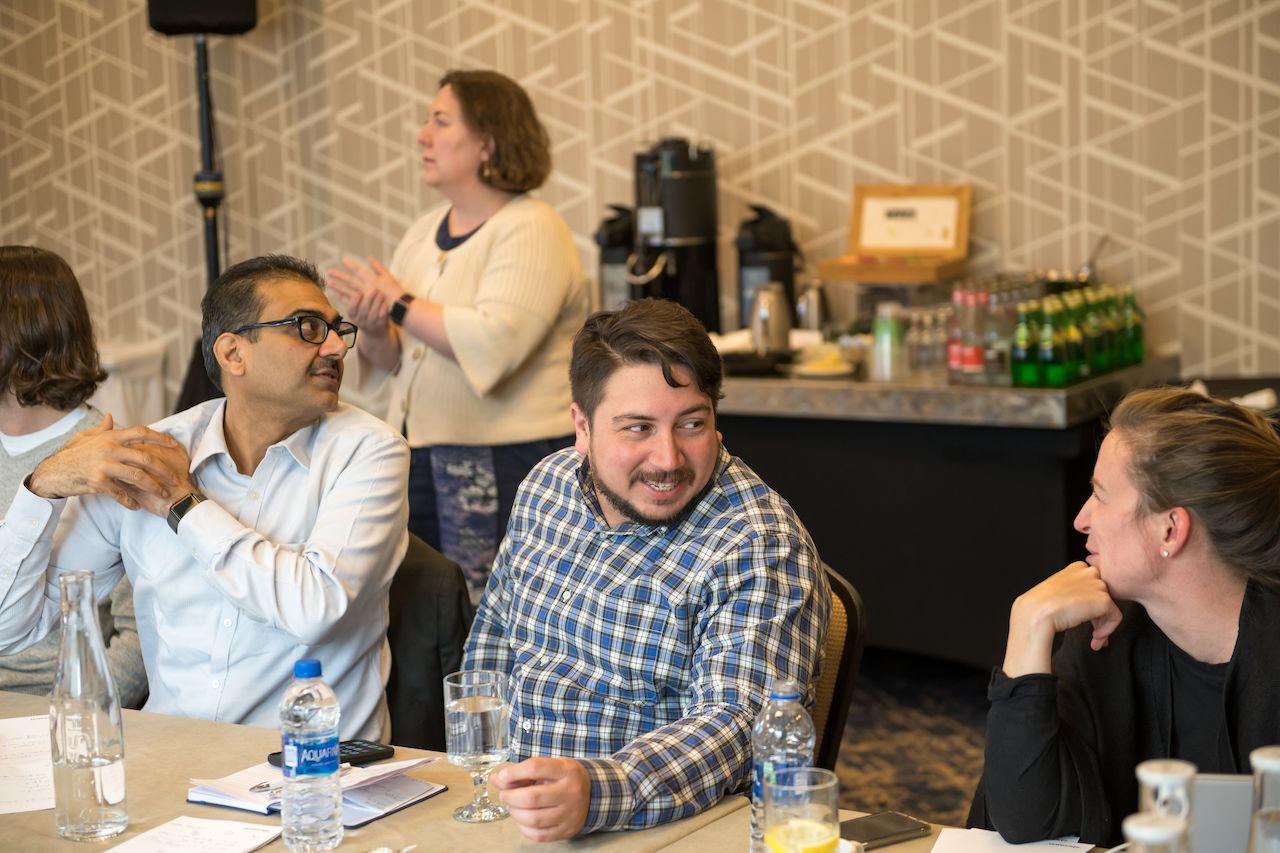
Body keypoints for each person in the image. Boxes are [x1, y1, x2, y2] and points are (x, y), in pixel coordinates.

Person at [463, 298, 831, 841]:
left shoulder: (758, 541)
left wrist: (600, 790)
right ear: (582, 428)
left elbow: (737, 726)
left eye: (691, 424)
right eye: (637, 428)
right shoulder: (547, 485)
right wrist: (482, 773)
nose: (668, 458)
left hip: (660, 827)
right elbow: (496, 636)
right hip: (510, 812)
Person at [0, 254, 409, 739]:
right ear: (233, 353)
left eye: (337, 330)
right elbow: (11, 628)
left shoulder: (370, 451)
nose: (336, 349)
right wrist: (40, 488)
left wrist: (184, 504)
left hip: (313, 771)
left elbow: (314, 610)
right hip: (175, 767)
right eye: (308, 327)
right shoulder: (150, 453)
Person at [968, 387, 1280, 846]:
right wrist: (1028, 625)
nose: (1081, 519)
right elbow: (1023, 819)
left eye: (1100, 495)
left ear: (1170, 529)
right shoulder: (1108, 637)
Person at [327, 68, 584, 598]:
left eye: (440, 122)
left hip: (506, 459)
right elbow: (394, 360)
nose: (423, 134)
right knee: (427, 610)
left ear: (488, 141)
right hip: (420, 454)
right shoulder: (424, 231)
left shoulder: (532, 226)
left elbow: (495, 343)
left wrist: (397, 300)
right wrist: (376, 325)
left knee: (496, 611)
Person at [0, 246, 146, 707]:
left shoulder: (107, 457)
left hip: (57, 708)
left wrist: (76, 716)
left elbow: (140, 640)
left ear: (25, 332)